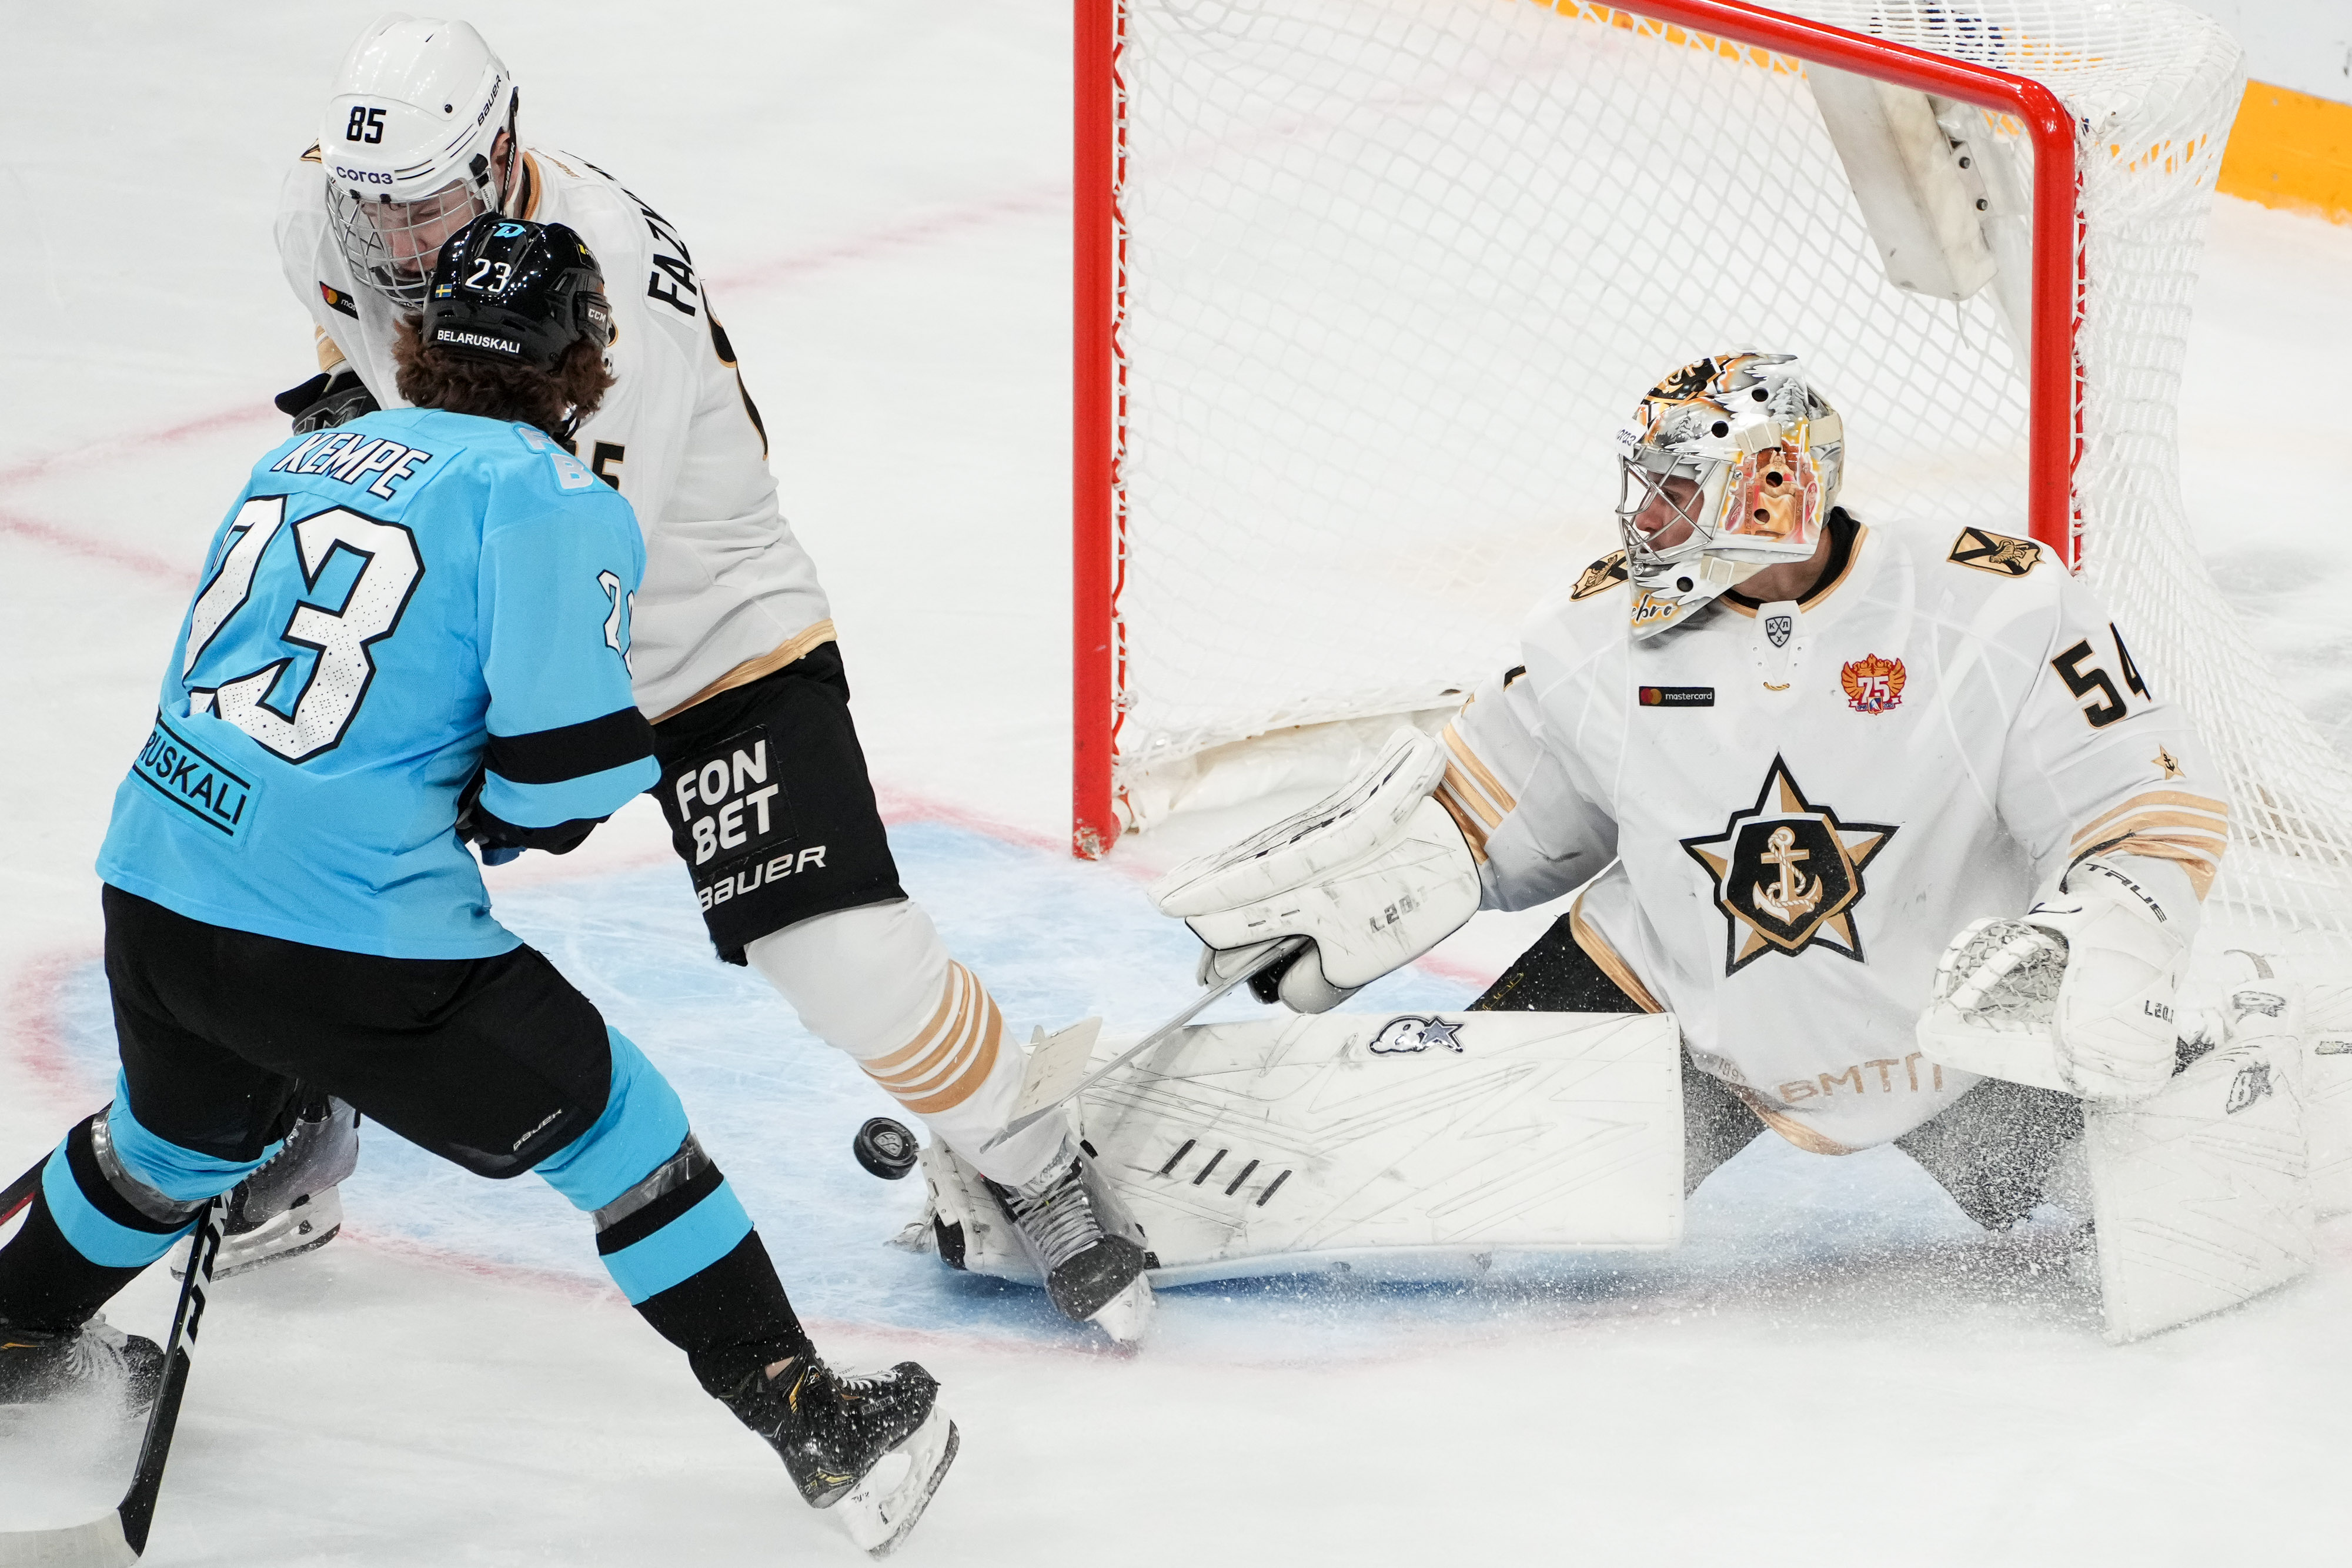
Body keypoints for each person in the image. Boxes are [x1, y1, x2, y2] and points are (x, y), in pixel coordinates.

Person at [0, 217, 954, 1554]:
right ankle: (818, 1422)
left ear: (419, 342)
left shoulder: (299, 454)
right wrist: (493, 816)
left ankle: (14, 1324)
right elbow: (569, 774)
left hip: (156, 882)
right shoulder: (549, 496)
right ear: (583, 359)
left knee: (174, 1146)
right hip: (348, 931)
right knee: (625, 1134)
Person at [238, 14, 1147, 1333]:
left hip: (703, 628)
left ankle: (1034, 1153)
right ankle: (292, 1112)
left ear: (497, 155)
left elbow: (579, 557)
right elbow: (359, 359)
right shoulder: (323, 218)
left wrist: (499, 751)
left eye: (426, 210)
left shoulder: (601, 282)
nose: (398, 246)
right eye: (374, 210)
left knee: (837, 957)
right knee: (289, 831)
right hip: (484, 581)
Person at [1154, 351, 2229, 1224]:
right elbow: (1490, 815)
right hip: (1671, 994)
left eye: (1676, 490)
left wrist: (2107, 939)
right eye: (1648, 487)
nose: (1646, 518)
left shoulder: (1993, 605)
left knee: (2166, 1204)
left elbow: (2142, 812)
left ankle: (2219, 1084)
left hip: (1954, 1026)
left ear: (1775, 491)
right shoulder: (1593, 634)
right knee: (1445, 1175)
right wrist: (1382, 883)